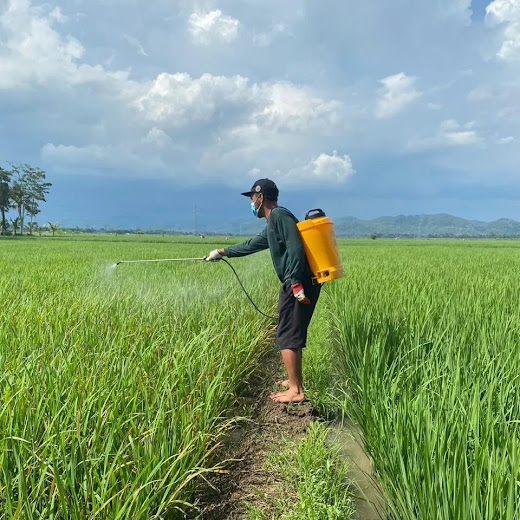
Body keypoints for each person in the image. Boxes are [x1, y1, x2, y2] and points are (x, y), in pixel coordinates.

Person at [205, 179, 321, 403]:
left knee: (287, 336)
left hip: (296, 282)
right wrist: (221, 252)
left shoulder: (279, 216)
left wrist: (295, 282)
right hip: (296, 280)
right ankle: (293, 380)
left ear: (260, 197)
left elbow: (295, 246)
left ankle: (296, 390)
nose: (250, 203)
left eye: (251, 198)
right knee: (290, 330)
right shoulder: (273, 222)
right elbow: (251, 244)